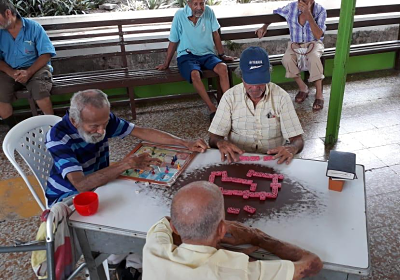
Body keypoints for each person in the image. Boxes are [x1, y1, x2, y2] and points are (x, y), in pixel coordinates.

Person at [45, 89, 208, 206]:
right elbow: (81, 185)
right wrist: (125, 164)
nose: (102, 131)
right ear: (75, 121)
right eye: (94, 126)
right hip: (69, 198)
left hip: (100, 183)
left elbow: (141, 132)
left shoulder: (102, 120)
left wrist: (184, 143)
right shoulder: (58, 137)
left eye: (105, 124)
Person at [143, 181, 323, 280]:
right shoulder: (241, 271)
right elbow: (313, 264)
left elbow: (165, 222)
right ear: (222, 229)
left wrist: (203, 233)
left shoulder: (154, 249)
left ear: (175, 227)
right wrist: (257, 237)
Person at [209, 47, 304, 164]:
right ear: (241, 76)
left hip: (274, 160)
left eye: (259, 81)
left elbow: (297, 139)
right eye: (250, 81)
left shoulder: (281, 97)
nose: (255, 88)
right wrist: (221, 143)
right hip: (238, 159)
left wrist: (292, 148)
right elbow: (214, 137)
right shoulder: (230, 97)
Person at [156, 0, 234, 122]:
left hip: (207, 54)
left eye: (202, 3)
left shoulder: (209, 12)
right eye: (195, 4)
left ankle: (228, 107)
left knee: (223, 67)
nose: (199, 7)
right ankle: (212, 109)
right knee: (194, 74)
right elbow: (173, 40)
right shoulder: (179, 15)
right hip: (187, 56)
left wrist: (222, 55)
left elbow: (216, 34)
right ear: (188, 4)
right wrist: (166, 63)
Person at [255, 0, 327, 111]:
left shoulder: (320, 10)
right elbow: (275, 13)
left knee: (314, 58)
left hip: (314, 43)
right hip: (295, 44)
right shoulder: (291, 7)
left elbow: (318, 35)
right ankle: (303, 88)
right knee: (287, 59)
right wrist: (264, 26)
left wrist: (308, 15)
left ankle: (319, 94)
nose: (301, 2)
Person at [0, 0, 55, 128]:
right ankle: (14, 130)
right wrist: (11, 72)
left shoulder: (33, 27)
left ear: (8, 13)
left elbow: (46, 54)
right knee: (0, 95)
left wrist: (29, 72)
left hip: (36, 68)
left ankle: (53, 127)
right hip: (10, 70)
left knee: (40, 90)